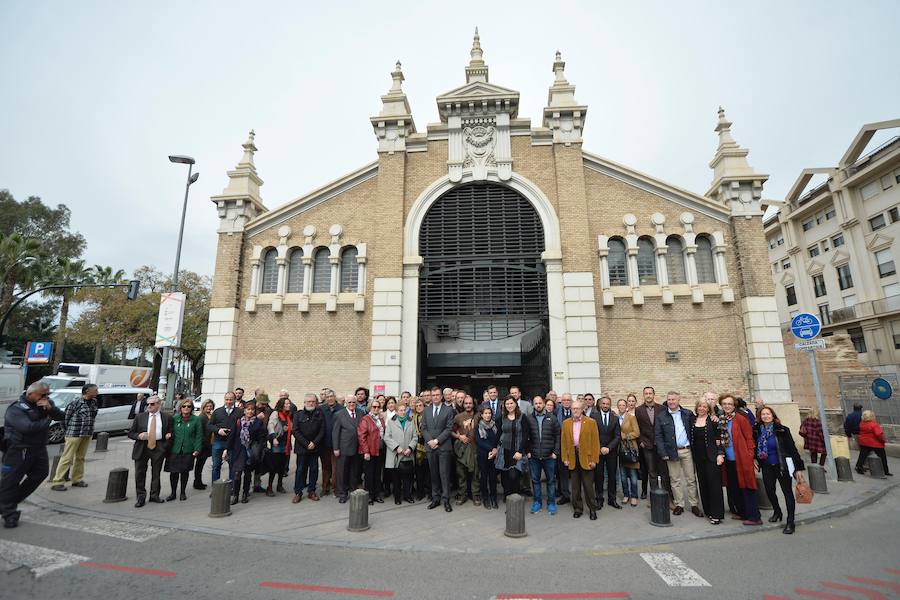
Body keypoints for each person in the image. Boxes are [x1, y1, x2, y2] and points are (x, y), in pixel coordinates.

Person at [0, 382, 65, 528]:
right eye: (43, 394)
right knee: (10, 482)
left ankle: (5, 502)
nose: (46, 397)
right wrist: (48, 418)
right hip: (18, 450)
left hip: (38, 448)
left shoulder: (46, 404)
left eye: (48, 394)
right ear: (31, 394)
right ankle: (9, 513)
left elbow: (61, 416)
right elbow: (27, 427)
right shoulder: (16, 408)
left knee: (41, 473)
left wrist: (50, 409)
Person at [754, 405, 806, 534]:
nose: (766, 416)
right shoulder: (756, 431)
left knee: (787, 492)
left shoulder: (782, 430)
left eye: (768, 414)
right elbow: (754, 447)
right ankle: (777, 511)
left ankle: (790, 521)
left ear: (773, 416)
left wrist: (798, 468)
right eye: (763, 414)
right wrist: (754, 458)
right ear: (760, 417)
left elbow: (792, 449)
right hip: (766, 466)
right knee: (769, 491)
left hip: (782, 466)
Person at [655, 391, 701, 517]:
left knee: (691, 479)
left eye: (673, 399)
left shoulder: (688, 414)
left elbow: (697, 427)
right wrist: (663, 452)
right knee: (675, 479)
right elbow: (658, 436)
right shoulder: (661, 416)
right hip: (671, 452)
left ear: (679, 400)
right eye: (669, 399)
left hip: (687, 450)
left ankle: (694, 504)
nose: (671, 402)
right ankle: (679, 504)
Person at [720, 394, 762, 525]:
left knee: (747, 486)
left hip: (742, 458)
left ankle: (755, 516)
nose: (727, 406)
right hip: (729, 460)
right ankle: (743, 512)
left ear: (734, 406)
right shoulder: (723, 419)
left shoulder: (741, 419)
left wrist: (750, 455)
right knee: (735, 488)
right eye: (725, 404)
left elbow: (749, 438)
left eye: (730, 404)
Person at [50, 383, 98, 491]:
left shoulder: (94, 402)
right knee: (67, 457)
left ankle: (77, 479)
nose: (97, 392)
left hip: (87, 433)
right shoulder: (75, 403)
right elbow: (65, 418)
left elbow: (93, 416)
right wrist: (68, 431)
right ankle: (58, 481)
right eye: (95, 390)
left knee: (80, 458)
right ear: (87, 391)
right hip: (74, 434)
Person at [128, 394, 173, 507]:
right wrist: (139, 436)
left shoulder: (166, 417)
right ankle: (141, 496)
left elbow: (171, 432)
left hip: (158, 447)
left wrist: (165, 444)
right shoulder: (140, 417)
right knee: (140, 473)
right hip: (142, 447)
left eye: (152, 404)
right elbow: (130, 433)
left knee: (156, 473)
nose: (149, 406)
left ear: (158, 405)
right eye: (148, 404)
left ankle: (154, 495)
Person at [561, 399, 600, 520]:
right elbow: (563, 442)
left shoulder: (591, 422)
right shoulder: (566, 423)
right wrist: (565, 458)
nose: (575, 411)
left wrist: (594, 459)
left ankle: (592, 509)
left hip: (587, 458)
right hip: (572, 457)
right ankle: (578, 508)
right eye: (573, 408)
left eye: (577, 408)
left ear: (582, 409)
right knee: (575, 487)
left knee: (588, 486)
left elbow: (595, 442)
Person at [691, 398, 725, 524]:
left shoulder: (713, 421)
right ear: (696, 408)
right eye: (700, 406)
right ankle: (708, 511)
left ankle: (717, 514)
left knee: (714, 485)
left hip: (712, 456)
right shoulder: (692, 420)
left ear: (708, 409)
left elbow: (719, 438)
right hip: (698, 458)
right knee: (703, 483)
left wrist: (720, 453)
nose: (702, 408)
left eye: (704, 407)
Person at [524, 395, 560, 515]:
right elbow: (525, 437)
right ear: (533, 405)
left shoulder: (552, 418)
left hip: (549, 456)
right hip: (534, 456)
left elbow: (558, 436)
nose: (538, 405)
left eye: (540, 403)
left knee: (551, 480)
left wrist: (555, 452)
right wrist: (527, 451)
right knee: (535, 480)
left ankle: (551, 503)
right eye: (536, 403)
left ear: (544, 404)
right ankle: (537, 502)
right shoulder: (528, 418)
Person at [225, 403, 266, 504]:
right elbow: (232, 436)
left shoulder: (257, 422)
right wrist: (226, 450)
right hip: (238, 450)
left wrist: (259, 448)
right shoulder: (238, 421)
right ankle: (235, 495)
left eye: (252, 410)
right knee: (237, 473)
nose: (250, 411)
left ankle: (245, 494)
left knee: (247, 473)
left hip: (250, 450)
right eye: (248, 409)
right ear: (244, 411)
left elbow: (261, 437)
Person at [634, 386, 670, 500]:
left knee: (664, 472)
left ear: (654, 395)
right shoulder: (638, 410)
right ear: (643, 395)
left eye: (650, 393)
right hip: (647, 446)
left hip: (661, 446)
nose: (648, 395)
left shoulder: (662, 408)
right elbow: (637, 427)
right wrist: (640, 441)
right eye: (646, 393)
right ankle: (655, 498)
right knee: (652, 473)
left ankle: (667, 497)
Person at [422, 387, 454, 511]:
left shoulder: (449, 410)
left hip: (443, 447)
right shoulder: (426, 410)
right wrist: (430, 441)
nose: (435, 397)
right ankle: (436, 498)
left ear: (441, 396)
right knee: (433, 474)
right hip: (430, 447)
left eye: (437, 395)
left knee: (444, 474)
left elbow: (449, 428)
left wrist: (437, 441)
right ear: (431, 396)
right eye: (433, 395)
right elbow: (423, 428)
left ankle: (446, 500)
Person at [165, 399, 202, 501]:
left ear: (192, 408)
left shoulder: (196, 420)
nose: (186, 408)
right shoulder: (175, 418)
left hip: (188, 450)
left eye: (189, 406)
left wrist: (197, 449)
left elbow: (199, 436)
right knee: (174, 472)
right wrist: (168, 435)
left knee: (184, 472)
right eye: (184, 406)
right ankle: (173, 493)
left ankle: (182, 492)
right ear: (180, 408)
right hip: (175, 450)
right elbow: (169, 431)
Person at [384, 399, 416, 505]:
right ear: (396, 411)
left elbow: (415, 437)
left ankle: (407, 495)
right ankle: (397, 497)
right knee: (396, 478)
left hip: (407, 453)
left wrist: (410, 448)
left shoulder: (410, 421)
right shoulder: (391, 422)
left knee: (408, 478)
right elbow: (387, 437)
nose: (403, 412)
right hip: (395, 454)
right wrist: (397, 447)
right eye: (400, 410)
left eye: (404, 410)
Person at [452, 395, 480, 505]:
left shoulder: (478, 416)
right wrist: (459, 437)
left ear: (473, 404)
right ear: (463, 405)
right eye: (466, 403)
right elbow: (451, 431)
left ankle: (475, 495)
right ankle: (462, 495)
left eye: (470, 403)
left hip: (475, 449)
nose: (468, 405)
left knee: (475, 473)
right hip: (462, 450)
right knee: (461, 473)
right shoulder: (458, 417)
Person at [333, 395, 362, 504]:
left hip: (357, 447)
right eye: (349, 402)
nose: (351, 404)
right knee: (342, 472)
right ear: (346, 403)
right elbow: (335, 432)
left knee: (354, 471)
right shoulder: (339, 414)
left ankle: (353, 490)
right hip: (343, 448)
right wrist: (336, 448)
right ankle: (342, 493)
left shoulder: (360, 413)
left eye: (353, 403)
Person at [496, 396, 526, 499]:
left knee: (514, 475)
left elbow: (526, 435)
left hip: (516, 451)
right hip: (504, 450)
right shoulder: (502, 418)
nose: (509, 405)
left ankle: (515, 498)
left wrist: (520, 451)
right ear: (504, 405)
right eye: (507, 404)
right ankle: (507, 496)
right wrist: (494, 448)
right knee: (505, 475)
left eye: (511, 403)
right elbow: (498, 434)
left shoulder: (522, 417)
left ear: (515, 404)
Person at [209, 391, 241, 485]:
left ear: (234, 400)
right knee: (216, 466)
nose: (229, 401)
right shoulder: (217, 411)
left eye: (231, 399)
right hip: (218, 442)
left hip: (232, 443)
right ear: (224, 399)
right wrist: (218, 430)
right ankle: (215, 488)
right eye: (227, 399)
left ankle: (231, 488)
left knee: (232, 466)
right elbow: (210, 425)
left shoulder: (239, 412)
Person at [595, 395, 621, 510]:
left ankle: (612, 499)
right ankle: (599, 499)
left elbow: (617, 436)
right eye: (603, 403)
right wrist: (600, 447)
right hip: (598, 451)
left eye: (607, 404)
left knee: (612, 476)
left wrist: (608, 448)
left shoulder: (615, 418)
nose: (605, 406)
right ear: (600, 404)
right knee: (598, 476)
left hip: (611, 452)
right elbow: (592, 435)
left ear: (610, 405)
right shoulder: (593, 417)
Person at [358, 398, 386, 505]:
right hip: (369, 451)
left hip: (380, 450)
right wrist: (366, 452)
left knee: (377, 474)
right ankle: (369, 496)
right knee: (369, 474)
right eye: (374, 407)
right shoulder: (366, 419)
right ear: (370, 407)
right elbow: (361, 437)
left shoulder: (381, 419)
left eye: (378, 407)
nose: (376, 408)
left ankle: (377, 494)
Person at [266, 396, 293, 496]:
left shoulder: (288, 415)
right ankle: (269, 487)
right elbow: (270, 425)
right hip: (277, 443)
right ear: (281, 405)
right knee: (273, 467)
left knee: (282, 467)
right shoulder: (275, 413)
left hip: (286, 444)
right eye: (286, 404)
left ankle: (279, 485)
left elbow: (290, 428)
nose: (288, 405)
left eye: (289, 403)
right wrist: (273, 437)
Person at [474, 405, 499, 510]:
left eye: (489, 413)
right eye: (485, 413)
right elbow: (480, 442)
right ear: (481, 415)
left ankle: (493, 497)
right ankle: (485, 498)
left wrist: (494, 450)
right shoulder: (478, 426)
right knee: (483, 477)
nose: (488, 415)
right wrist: (491, 449)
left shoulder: (495, 426)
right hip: (483, 455)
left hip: (494, 456)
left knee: (493, 478)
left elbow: (498, 439)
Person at [617, 398, 640, 508]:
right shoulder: (615, 418)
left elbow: (637, 433)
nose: (621, 407)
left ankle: (634, 495)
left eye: (623, 405)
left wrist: (624, 436)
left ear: (626, 406)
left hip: (630, 448)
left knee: (632, 474)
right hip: (620, 450)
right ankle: (626, 494)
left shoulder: (631, 417)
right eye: (619, 405)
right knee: (622, 474)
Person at [856, 410, 892, 476]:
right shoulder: (874, 424)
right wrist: (883, 440)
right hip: (875, 443)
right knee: (882, 457)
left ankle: (859, 467)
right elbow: (879, 434)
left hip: (864, 442)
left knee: (862, 455)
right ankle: (885, 470)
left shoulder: (862, 423)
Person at [318, 389, 340, 496]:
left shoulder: (341, 409)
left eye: (332, 396)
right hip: (324, 443)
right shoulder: (321, 409)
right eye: (328, 397)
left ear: (335, 397)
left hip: (337, 444)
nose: (330, 398)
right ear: (325, 398)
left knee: (336, 468)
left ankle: (336, 488)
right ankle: (325, 488)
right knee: (325, 467)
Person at [555, 392, 574, 505]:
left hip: (574, 446)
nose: (566, 402)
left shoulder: (576, 411)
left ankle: (576, 495)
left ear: (571, 401)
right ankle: (565, 495)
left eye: (568, 400)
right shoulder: (556, 412)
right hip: (561, 446)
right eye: (564, 400)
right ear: (561, 402)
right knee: (563, 473)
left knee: (575, 472)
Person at [193, 399, 215, 490]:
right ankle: (197, 482)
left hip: (210, 443)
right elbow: (199, 432)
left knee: (201, 463)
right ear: (203, 407)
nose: (209, 408)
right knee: (199, 464)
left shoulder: (211, 416)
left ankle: (198, 481)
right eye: (207, 406)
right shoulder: (201, 417)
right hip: (203, 444)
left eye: (210, 406)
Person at [412, 396, 430, 501]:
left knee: (428, 470)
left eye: (420, 405)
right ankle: (420, 492)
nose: (418, 407)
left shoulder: (428, 416)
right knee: (419, 470)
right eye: (417, 406)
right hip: (417, 446)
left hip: (427, 444)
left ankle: (429, 491)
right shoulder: (413, 417)